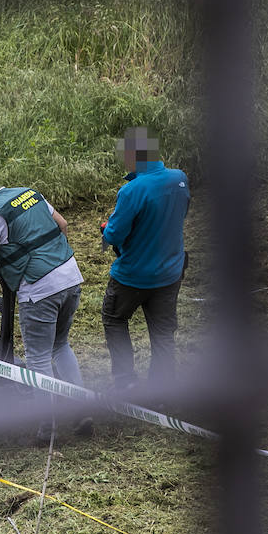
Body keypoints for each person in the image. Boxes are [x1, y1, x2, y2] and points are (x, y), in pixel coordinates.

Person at [0, 171, 91, 444]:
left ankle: (46, 427)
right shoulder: (29, 193)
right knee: (61, 345)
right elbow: (62, 225)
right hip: (70, 277)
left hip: (40, 290)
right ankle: (82, 412)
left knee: (39, 357)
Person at [100, 127, 190, 393]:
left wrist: (105, 229)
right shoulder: (179, 179)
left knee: (114, 319)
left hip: (133, 276)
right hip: (170, 274)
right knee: (163, 333)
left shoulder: (132, 190)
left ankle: (126, 381)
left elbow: (115, 234)